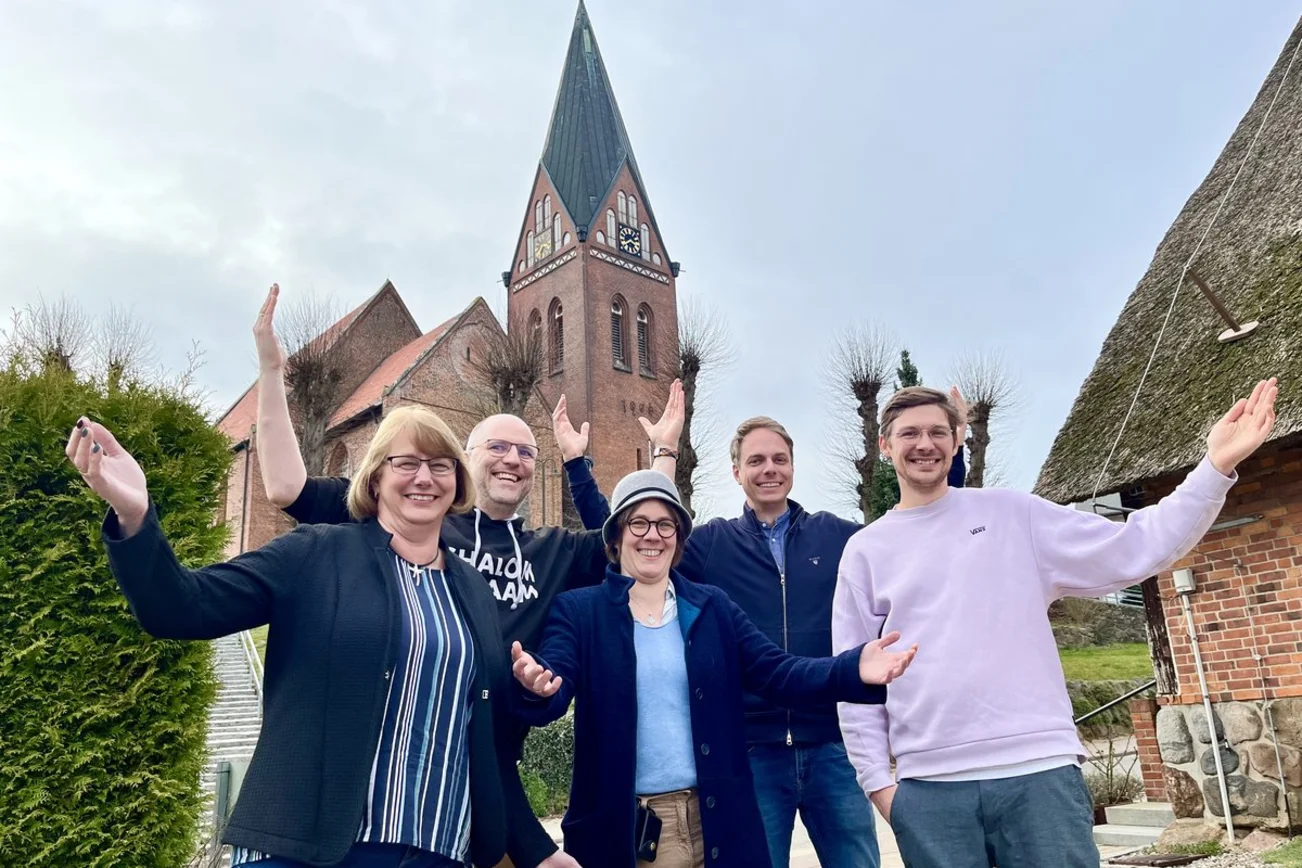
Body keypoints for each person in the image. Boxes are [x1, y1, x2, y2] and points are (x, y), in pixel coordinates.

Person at [252, 284, 682, 866]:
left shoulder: (552, 550)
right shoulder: (419, 523)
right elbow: (286, 489)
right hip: (407, 769)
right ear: (467, 459)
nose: (513, 459)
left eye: (528, 452)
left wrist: (648, 458)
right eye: (498, 447)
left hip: (492, 767)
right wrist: (272, 373)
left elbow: (639, 536)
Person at [66, 405, 548, 868]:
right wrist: (135, 515)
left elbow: (480, 726)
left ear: (458, 483)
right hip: (299, 848)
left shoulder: (472, 590)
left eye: (441, 466)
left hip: (434, 848)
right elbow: (182, 607)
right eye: (406, 463)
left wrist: (527, 694)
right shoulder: (316, 553)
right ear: (375, 478)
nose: (424, 477)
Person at [832, 379, 1279, 868]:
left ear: (958, 439)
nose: (925, 444)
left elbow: (1136, 546)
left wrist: (1214, 468)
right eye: (909, 433)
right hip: (930, 790)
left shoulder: (1012, 514)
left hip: (1041, 773)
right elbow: (852, 675)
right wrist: (878, 783)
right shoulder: (865, 551)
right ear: (884, 445)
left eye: (938, 431)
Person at [552, 402, 966, 868]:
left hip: (831, 744)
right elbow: (630, 536)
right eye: (755, 461)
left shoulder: (838, 537)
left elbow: (914, 531)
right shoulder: (711, 545)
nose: (769, 469)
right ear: (736, 472)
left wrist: (954, 456)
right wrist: (604, 464)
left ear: (792, 466)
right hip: (754, 753)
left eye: (778, 459)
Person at [508, 470, 919, 868]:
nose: (653, 535)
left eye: (666, 525)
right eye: (638, 523)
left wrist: (853, 668)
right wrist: (538, 685)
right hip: (632, 831)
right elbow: (555, 679)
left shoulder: (711, 607)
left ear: (679, 538)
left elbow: (779, 673)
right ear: (615, 536)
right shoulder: (581, 611)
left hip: (718, 822)